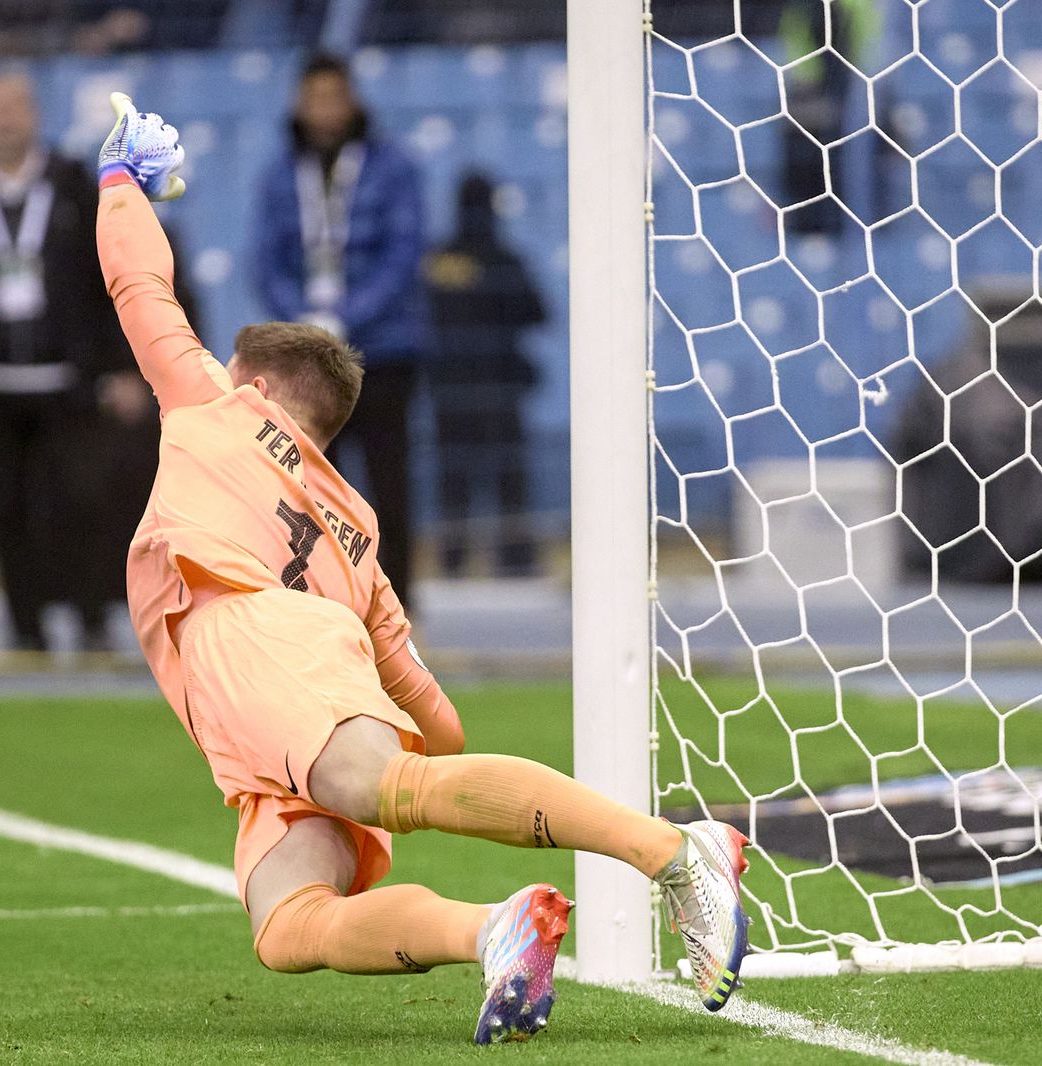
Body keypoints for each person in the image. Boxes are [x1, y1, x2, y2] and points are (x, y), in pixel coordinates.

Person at [96, 92, 750, 1041]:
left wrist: (119, 180)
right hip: (283, 705)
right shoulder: (358, 531)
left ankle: (674, 853)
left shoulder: (217, 407)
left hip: (250, 640)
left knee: (388, 789)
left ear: (259, 387)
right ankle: (494, 931)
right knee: (288, 923)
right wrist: (426, 760)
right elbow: (425, 707)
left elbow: (139, 286)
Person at [0, 72, 137, 652]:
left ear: (37, 114)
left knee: (83, 503)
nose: (6, 117)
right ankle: (26, 630)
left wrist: (117, 364)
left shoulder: (75, 188)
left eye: (16, 105)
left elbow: (113, 274)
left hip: (70, 382)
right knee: (7, 510)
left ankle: (93, 621)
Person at [253, 53, 426, 606]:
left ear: (352, 101)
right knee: (308, 486)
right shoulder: (280, 175)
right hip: (309, 363)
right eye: (315, 98)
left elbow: (403, 255)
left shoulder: (393, 168)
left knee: (387, 480)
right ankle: (319, 600)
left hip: (381, 352)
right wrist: (306, 324)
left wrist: (345, 318)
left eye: (334, 97)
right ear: (299, 104)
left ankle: (397, 604)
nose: (325, 110)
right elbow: (266, 261)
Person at [425, 172, 546, 577]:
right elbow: (537, 312)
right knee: (504, 475)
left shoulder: (439, 260)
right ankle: (513, 558)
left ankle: (455, 560)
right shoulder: (504, 259)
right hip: (495, 385)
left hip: (456, 386)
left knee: (457, 477)